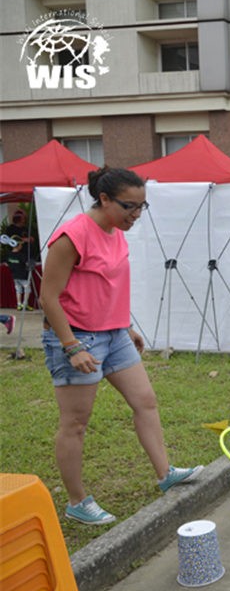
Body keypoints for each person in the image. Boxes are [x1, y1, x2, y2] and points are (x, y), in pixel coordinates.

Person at [39, 167, 201, 525]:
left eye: (143, 207)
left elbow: (105, 288)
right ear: (105, 199)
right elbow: (48, 297)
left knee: (146, 401)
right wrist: (71, 346)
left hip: (114, 335)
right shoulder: (71, 236)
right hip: (77, 338)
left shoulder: (115, 232)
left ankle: (165, 474)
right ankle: (78, 502)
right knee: (75, 424)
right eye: (130, 206)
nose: (136, 215)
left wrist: (125, 326)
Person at [5, 209, 37, 310]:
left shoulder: (26, 228)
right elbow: (11, 239)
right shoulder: (11, 229)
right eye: (23, 218)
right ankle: (23, 303)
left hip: (19, 269)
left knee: (18, 289)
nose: (25, 220)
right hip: (22, 271)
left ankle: (20, 304)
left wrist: (30, 239)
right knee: (25, 288)